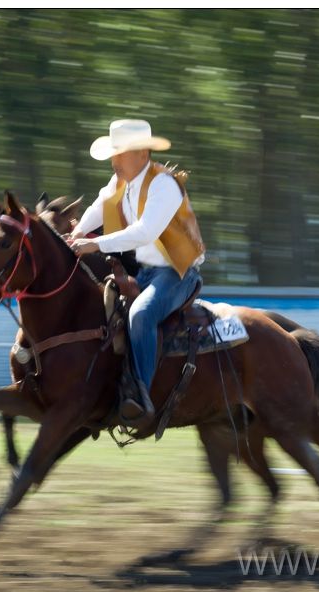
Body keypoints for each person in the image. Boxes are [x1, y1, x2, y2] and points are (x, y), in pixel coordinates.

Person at [68, 119, 205, 424]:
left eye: (120, 154)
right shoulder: (122, 184)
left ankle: (140, 395)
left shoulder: (163, 184)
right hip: (146, 273)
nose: (114, 161)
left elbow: (144, 232)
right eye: (113, 155)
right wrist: (75, 236)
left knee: (141, 314)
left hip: (176, 274)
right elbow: (98, 207)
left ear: (142, 154)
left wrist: (94, 245)